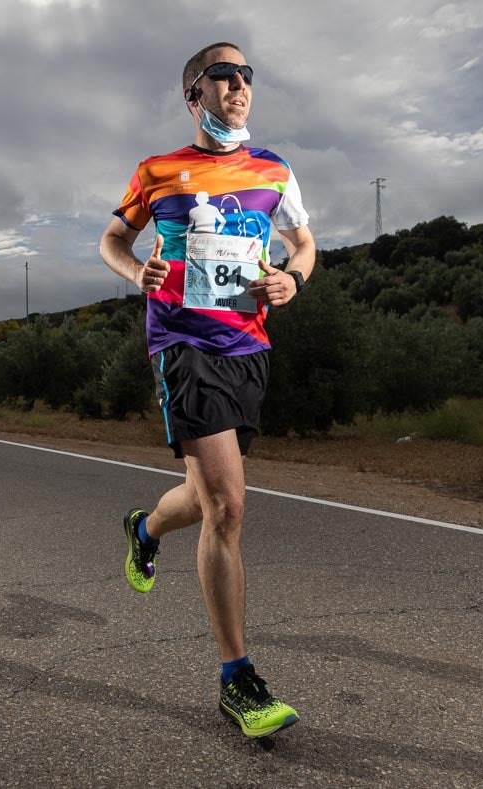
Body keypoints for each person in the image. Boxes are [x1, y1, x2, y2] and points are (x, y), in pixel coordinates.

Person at [99, 41, 315, 738]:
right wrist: (137, 274)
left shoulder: (274, 170)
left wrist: (293, 276)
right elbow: (111, 239)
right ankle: (237, 679)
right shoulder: (157, 170)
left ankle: (146, 526)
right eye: (224, 75)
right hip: (183, 345)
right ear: (195, 92)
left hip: (249, 345)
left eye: (247, 75)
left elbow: (305, 243)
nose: (239, 86)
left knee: (200, 496)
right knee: (226, 503)